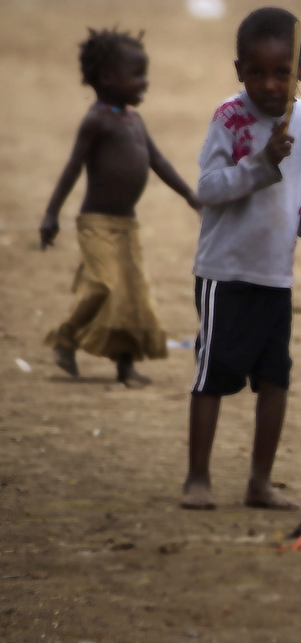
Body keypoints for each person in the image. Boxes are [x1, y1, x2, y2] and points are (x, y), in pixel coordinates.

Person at [183, 7, 301, 511]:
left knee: (276, 378)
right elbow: (208, 189)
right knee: (213, 375)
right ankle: (198, 477)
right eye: (257, 72)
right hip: (225, 274)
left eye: (283, 72)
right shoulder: (230, 119)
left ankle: (259, 482)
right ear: (239, 71)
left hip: (276, 276)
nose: (270, 85)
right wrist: (261, 164)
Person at [39, 29, 202, 386]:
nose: (145, 82)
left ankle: (125, 366)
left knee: (133, 297)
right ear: (108, 78)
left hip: (127, 226)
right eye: (137, 75)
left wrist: (190, 195)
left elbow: (157, 161)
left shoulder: (134, 120)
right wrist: (51, 214)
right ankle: (67, 335)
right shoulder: (97, 120)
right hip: (96, 223)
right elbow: (72, 168)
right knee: (102, 284)